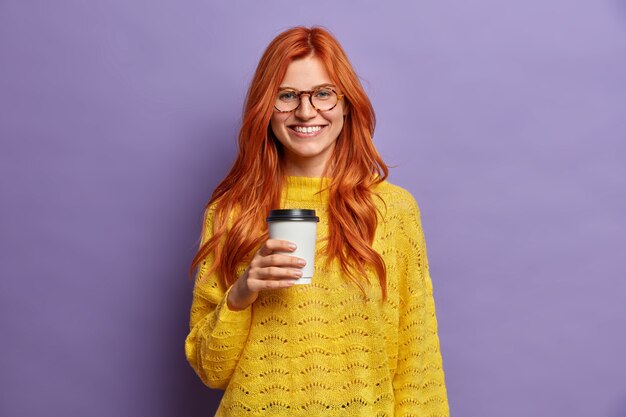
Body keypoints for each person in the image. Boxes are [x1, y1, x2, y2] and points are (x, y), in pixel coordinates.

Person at [185, 26, 449, 416]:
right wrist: (242, 293)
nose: (306, 112)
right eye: (287, 96)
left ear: (346, 103)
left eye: (323, 93)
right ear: (266, 106)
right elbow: (211, 370)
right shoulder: (230, 212)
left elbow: (418, 360)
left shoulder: (392, 210)